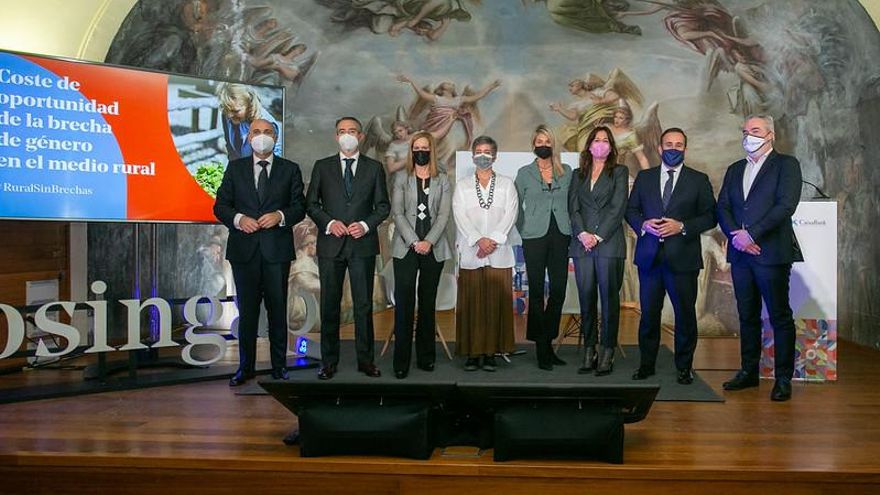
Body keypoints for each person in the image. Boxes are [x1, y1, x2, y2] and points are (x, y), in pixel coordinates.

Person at [213, 118, 306, 386]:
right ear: (248, 137)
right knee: (248, 313)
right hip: (244, 252)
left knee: (277, 312)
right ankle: (245, 367)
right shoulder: (235, 169)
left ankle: (279, 367)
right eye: (256, 132)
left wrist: (280, 215)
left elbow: (299, 206)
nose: (261, 136)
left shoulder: (290, 170)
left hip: (277, 251)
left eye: (267, 132)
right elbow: (221, 206)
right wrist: (239, 218)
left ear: (275, 138)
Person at [717, 114, 803, 401]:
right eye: (745, 131)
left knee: (779, 316)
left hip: (771, 253)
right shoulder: (734, 169)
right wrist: (736, 237)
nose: (748, 135)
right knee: (747, 315)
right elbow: (723, 207)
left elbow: (785, 205)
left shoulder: (786, 165)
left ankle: (782, 379)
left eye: (755, 130)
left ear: (770, 135)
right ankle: (748, 372)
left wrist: (751, 235)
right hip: (741, 255)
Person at [626, 127, 717, 385]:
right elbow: (631, 210)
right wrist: (642, 224)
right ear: (660, 148)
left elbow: (710, 216)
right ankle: (646, 365)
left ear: (685, 149)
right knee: (649, 316)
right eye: (669, 144)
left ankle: (684, 367)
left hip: (683, 259)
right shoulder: (645, 178)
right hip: (650, 258)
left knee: (685, 316)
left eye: (679, 145)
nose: (673, 149)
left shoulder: (698, 180)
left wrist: (683, 226)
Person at [306, 117, 391, 380]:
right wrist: (330, 223)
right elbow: (311, 204)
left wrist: (365, 225)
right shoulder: (322, 167)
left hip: (362, 246)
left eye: (352, 131)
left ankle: (366, 361)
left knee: (363, 305)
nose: (347, 135)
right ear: (336, 136)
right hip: (331, 245)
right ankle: (328, 362)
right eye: (342, 131)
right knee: (330, 304)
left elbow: (383, 207)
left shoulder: (375, 168)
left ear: (361, 136)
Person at [452, 135, 518, 372]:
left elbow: (510, 215)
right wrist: (479, 240)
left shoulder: (507, 184)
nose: (482, 155)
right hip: (472, 252)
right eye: (478, 151)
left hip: (499, 253)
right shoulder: (462, 185)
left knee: (494, 304)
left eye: (487, 151)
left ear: (495, 156)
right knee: (472, 303)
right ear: (472, 155)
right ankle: (472, 353)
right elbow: (460, 216)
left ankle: (491, 352)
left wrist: (493, 241)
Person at [390, 131, 452, 379]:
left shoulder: (443, 179)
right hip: (405, 248)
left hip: (433, 248)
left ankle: (426, 357)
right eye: (416, 147)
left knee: (427, 304)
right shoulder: (401, 178)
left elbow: (443, 216)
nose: (420, 151)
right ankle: (401, 361)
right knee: (404, 304)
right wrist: (415, 241)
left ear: (432, 150)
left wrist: (428, 241)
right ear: (411, 150)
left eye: (425, 147)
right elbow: (398, 213)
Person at [568, 126, 629, 376]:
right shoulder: (577, 174)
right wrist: (583, 234)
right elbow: (573, 207)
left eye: (605, 140)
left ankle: (607, 351)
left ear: (611, 147)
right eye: (596, 140)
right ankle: (589, 348)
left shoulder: (620, 172)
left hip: (608, 244)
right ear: (589, 145)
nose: (601, 144)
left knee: (609, 300)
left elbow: (618, 207)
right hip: (582, 246)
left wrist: (597, 235)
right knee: (586, 299)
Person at [514, 125, 573, 370]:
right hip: (534, 237)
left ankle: (547, 340)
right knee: (536, 291)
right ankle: (541, 349)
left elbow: (573, 202)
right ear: (533, 144)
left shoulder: (567, 171)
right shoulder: (524, 173)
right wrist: (523, 230)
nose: (543, 145)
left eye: (547, 141)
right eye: (539, 140)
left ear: (553, 144)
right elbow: (515, 206)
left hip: (560, 234)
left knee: (558, 290)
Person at [216, 83, 282, 160]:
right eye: (226, 109)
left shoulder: (265, 124)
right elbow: (230, 148)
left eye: (236, 111)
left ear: (249, 105)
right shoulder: (227, 113)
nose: (230, 115)